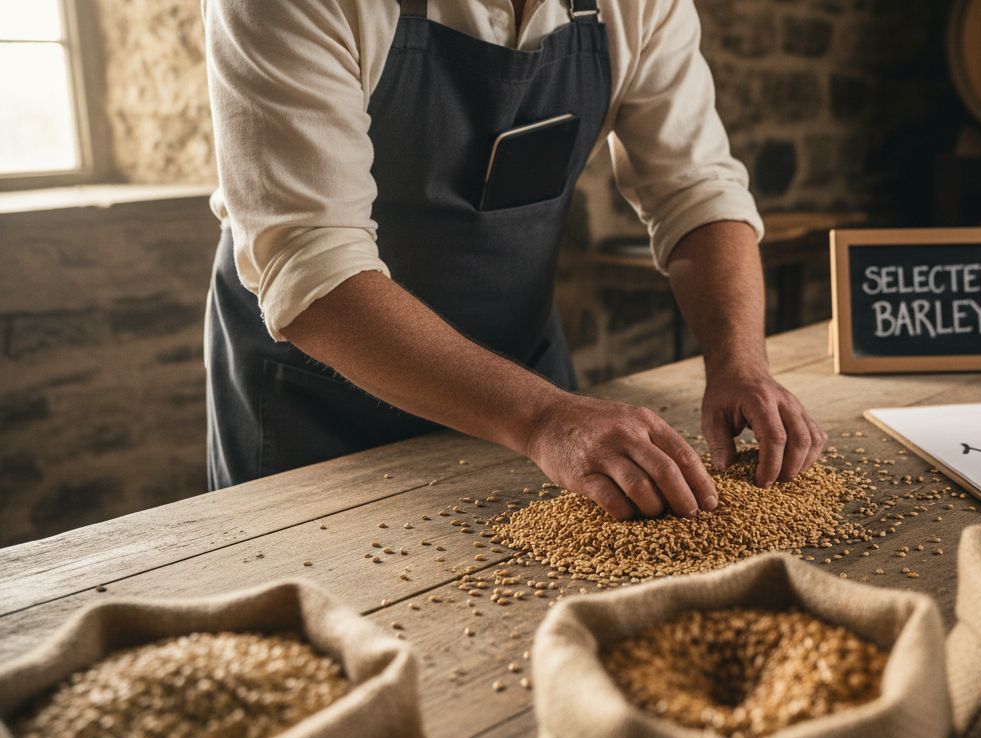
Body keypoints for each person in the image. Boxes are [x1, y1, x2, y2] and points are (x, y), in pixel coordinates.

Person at [202, 0, 825, 520]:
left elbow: (695, 190)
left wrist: (740, 359)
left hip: (527, 383)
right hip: (319, 409)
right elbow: (314, 261)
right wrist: (543, 418)